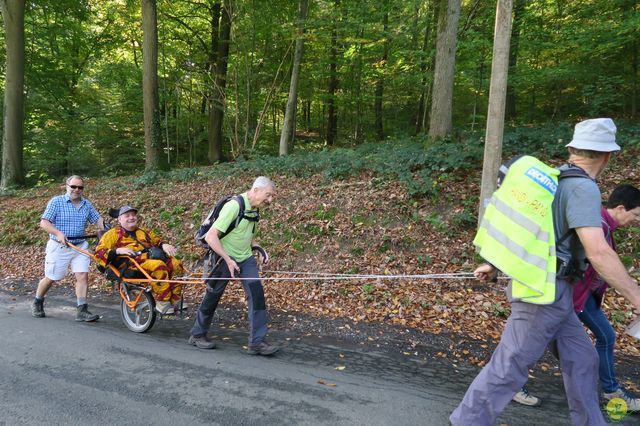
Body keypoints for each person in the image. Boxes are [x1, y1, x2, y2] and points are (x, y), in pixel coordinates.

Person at [450, 118, 640, 426]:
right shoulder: (583, 188)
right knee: (509, 366)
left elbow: (532, 232)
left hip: (556, 294)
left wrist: (495, 263)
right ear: (607, 156)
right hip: (543, 292)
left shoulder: (554, 180)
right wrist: (636, 296)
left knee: (583, 359)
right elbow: (599, 251)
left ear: (572, 149)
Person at [515, 184, 640, 410]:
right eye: (636, 214)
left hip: (585, 298)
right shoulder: (597, 226)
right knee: (539, 339)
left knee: (605, 337)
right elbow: (599, 263)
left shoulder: (603, 226)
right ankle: (513, 383)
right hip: (569, 296)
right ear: (621, 208)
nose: (637, 220)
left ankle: (611, 391)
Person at [189, 176, 278, 355]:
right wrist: (228, 259)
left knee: (257, 294)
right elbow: (211, 236)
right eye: (268, 195)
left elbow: (247, 234)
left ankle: (257, 343)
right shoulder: (235, 206)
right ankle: (197, 334)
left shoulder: (254, 208)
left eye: (272, 196)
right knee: (213, 295)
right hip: (223, 258)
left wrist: (259, 248)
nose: (270, 200)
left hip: (245, 259)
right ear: (256, 190)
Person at [31, 175, 106, 322]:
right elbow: (44, 223)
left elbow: (98, 220)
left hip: (80, 245)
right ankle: (37, 301)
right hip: (59, 246)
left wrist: (107, 230)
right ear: (66, 186)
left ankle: (82, 310)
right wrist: (58, 233)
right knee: (51, 278)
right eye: (73, 186)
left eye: (80, 187)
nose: (77, 190)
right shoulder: (56, 202)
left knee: (82, 275)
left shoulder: (86, 204)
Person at [94, 205, 185, 314]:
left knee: (176, 264)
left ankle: (175, 299)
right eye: (127, 215)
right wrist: (117, 251)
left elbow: (158, 241)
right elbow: (98, 253)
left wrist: (164, 245)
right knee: (158, 266)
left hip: (149, 259)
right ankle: (163, 301)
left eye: (133, 215)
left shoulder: (144, 232)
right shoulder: (112, 234)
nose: (131, 218)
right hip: (131, 264)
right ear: (119, 219)